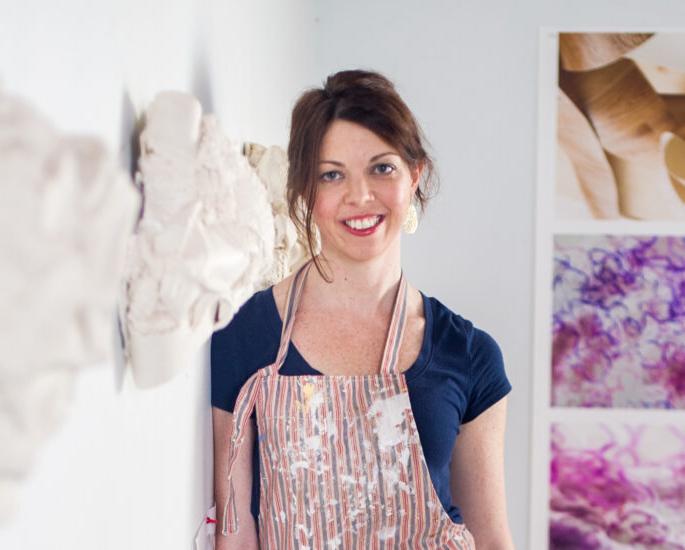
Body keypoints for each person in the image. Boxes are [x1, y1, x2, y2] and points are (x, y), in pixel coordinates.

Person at [211, 69, 514, 549]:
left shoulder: (470, 355)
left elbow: (492, 538)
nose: (360, 196)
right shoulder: (245, 335)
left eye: (382, 168)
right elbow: (235, 529)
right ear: (306, 191)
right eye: (332, 174)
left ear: (416, 175)